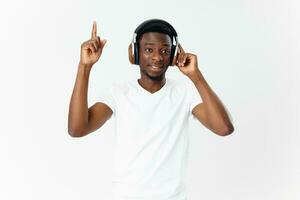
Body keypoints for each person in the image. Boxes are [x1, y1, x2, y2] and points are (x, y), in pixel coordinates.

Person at [68, 19, 234, 200]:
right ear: (135, 53)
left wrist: (196, 76)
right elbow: (77, 129)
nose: (157, 57)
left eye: (165, 51)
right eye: (149, 49)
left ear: (173, 56)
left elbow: (224, 128)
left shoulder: (185, 92)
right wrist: (84, 67)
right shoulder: (118, 92)